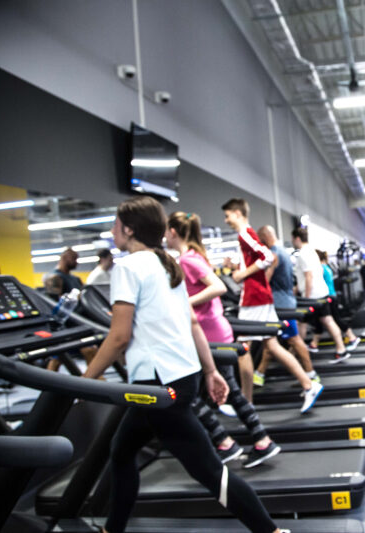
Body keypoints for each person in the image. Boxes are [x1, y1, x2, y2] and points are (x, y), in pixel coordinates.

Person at [82, 196, 280, 533]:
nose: (113, 230)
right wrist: (211, 371)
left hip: (158, 386)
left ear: (129, 229)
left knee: (208, 471)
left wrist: (85, 380)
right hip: (180, 377)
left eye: (116, 225)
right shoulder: (166, 261)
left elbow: (118, 336)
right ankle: (113, 528)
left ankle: (269, 530)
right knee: (121, 451)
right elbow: (190, 321)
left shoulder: (127, 268)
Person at [166, 211, 280, 467]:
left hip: (207, 334)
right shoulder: (194, 256)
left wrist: (182, 304)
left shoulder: (186, 260)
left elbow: (218, 287)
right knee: (228, 391)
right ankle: (259, 440)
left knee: (188, 394)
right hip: (214, 330)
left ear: (173, 232)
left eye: (166, 231)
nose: (164, 236)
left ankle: (225, 442)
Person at [221, 198, 322, 412]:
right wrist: (236, 267)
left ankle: (246, 404)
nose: (226, 219)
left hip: (255, 298)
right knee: (272, 346)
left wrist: (241, 274)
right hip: (260, 296)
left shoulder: (245, 233)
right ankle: (308, 384)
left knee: (243, 348)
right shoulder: (247, 236)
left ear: (238, 214)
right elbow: (255, 262)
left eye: (228, 215)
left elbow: (266, 256)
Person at [251, 225, 318, 387]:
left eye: (261, 240)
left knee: (293, 340)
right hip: (285, 301)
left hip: (281, 306)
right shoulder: (283, 252)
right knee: (270, 342)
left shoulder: (273, 254)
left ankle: (311, 375)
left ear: (265, 237)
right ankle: (259, 374)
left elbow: (264, 282)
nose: (260, 243)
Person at [291, 227, 351, 363]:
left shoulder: (302, 254)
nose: (292, 241)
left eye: (292, 239)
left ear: (297, 239)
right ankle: (341, 349)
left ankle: (297, 353)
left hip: (312, 295)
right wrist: (296, 288)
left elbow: (309, 276)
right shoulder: (312, 252)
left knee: (302, 323)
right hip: (321, 292)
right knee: (327, 320)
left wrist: (305, 297)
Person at [307, 249, 360, 353]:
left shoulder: (321, 268)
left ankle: (352, 337)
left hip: (328, 297)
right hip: (331, 295)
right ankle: (314, 344)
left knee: (335, 319)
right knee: (320, 320)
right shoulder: (326, 267)